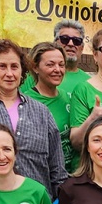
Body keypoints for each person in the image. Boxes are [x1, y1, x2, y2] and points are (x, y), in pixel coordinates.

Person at [0, 39, 67, 197]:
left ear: (22, 70)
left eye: (14, 67)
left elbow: (57, 167)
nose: (9, 74)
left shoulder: (41, 112)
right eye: (2, 66)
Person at [25, 42, 79, 172]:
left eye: (61, 65)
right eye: (50, 64)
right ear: (35, 67)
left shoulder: (69, 97)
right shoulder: (26, 102)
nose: (58, 70)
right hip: (45, 175)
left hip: (73, 175)